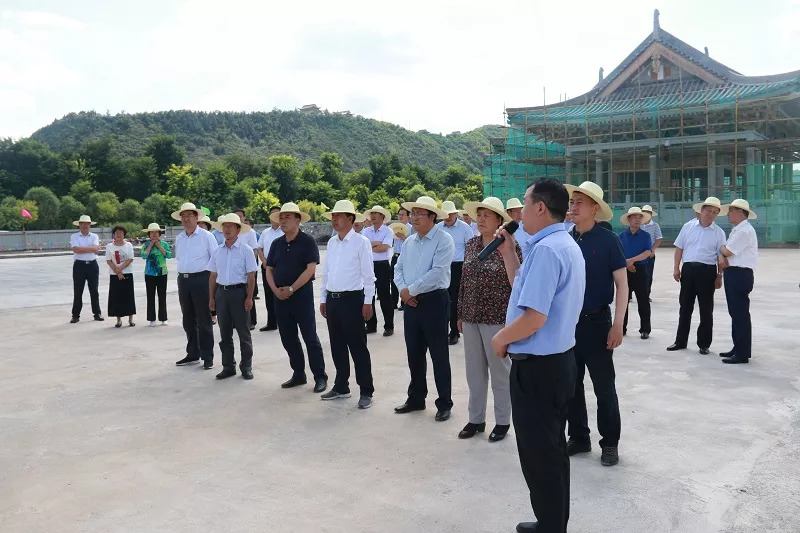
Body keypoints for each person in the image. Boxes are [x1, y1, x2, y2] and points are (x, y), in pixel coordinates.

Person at [490, 179, 585, 533]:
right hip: (558, 364)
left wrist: (501, 338)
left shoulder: (547, 250)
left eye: (525, 204)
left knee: (539, 455)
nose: (520, 212)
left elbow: (535, 316)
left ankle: (551, 526)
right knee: (551, 451)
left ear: (540, 207)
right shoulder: (562, 243)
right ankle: (552, 521)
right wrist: (508, 253)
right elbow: (525, 291)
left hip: (539, 371)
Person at [564, 181, 628, 467]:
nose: (573, 206)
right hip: (568, 324)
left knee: (604, 387)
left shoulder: (608, 240)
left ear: (594, 209)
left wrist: (618, 325)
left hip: (598, 322)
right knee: (571, 385)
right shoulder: (567, 238)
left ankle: (610, 443)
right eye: (572, 201)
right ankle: (579, 437)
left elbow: (622, 286)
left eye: (580, 202)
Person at [457, 197, 521, 442]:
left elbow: (517, 284)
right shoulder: (471, 244)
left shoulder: (509, 246)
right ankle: (476, 419)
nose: (481, 219)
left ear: (499, 221)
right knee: (474, 372)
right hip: (471, 316)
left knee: (500, 373)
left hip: (497, 318)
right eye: (479, 215)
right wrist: (460, 313)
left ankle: (503, 421)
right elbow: (464, 281)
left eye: (487, 215)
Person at [393, 196, 455, 422]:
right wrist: (403, 290)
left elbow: (438, 272)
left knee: (439, 355)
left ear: (432, 217)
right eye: (413, 213)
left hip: (434, 301)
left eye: (419, 214)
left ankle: (444, 403)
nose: (414, 218)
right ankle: (416, 398)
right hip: (411, 302)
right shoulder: (410, 241)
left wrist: (412, 290)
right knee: (414, 354)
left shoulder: (443, 239)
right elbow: (398, 267)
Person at [265, 202, 328, 393]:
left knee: (310, 337)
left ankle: (320, 376)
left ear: (298, 220)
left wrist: (291, 288)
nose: (283, 221)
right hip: (280, 298)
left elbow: (310, 269)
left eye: (287, 217)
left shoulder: (307, 241)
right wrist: (276, 290)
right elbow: (269, 269)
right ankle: (298, 374)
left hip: (301, 297)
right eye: (281, 218)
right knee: (288, 338)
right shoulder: (277, 243)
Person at [319, 200, 376, 409]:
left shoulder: (361, 242)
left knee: (358, 347)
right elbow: (326, 273)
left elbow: (368, 275)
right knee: (337, 346)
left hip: (353, 300)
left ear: (351, 219)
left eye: (339, 216)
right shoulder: (333, 242)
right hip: (333, 300)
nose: (335, 219)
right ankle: (341, 386)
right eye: (333, 216)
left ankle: (366, 390)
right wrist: (324, 298)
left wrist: (367, 301)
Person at [667, 197, 727, 355]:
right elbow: (679, 248)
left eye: (715, 212)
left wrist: (719, 275)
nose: (710, 214)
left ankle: (704, 343)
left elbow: (721, 255)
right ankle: (680, 341)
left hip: (707, 271)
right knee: (685, 307)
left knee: (706, 309)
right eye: (708, 211)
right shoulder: (688, 227)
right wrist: (676, 268)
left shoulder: (719, 233)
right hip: (688, 270)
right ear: (701, 211)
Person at [207, 213, 258, 380]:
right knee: (224, 333)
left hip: (239, 293)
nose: (227, 229)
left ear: (238, 230)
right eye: (225, 226)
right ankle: (228, 366)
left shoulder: (246, 250)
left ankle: (246, 366)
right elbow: (213, 276)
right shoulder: (217, 251)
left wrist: (249, 297)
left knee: (244, 332)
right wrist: (212, 298)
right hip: (222, 293)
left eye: (231, 226)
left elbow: (251, 276)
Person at [172, 202, 218, 369]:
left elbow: (215, 260)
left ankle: (208, 356)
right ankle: (193, 353)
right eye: (183, 217)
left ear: (196, 218)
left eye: (189, 216)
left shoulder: (207, 236)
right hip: (183, 280)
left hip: (201, 280)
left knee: (204, 319)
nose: (186, 220)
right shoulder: (179, 238)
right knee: (188, 318)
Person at [718, 199, 758, 364]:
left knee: (740, 314)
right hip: (734, 273)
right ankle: (739, 347)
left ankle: (742, 353)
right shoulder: (739, 229)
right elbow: (725, 252)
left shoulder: (744, 231)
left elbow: (726, 250)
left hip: (739, 274)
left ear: (740, 213)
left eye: (731, 211)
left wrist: (721, 250)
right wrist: (722, 253)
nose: (728, 214)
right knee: (736, 313)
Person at [436, 200, 475, 345]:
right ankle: (441, 331)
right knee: (440, 300)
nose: (448, 217)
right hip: (441, 267)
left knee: (454, 301)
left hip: (458, 267)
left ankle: (454, 332)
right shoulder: (438, 228)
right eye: (445, 214)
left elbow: (471, 250)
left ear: (455, 214)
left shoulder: (465, 228)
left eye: (450, 214)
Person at [618, 207, 653, 339]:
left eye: (640, 217)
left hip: (641, 270)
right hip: (624, 271)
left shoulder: (646, 236)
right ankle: (622, 328)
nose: (638, 220)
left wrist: (631, 261)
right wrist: (626, 265)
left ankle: (645, 329)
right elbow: (618, 253)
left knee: (643, 300)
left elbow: (647, 252)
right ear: (629, 219)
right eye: (635, 217)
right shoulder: (621, 236)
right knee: (623, 300)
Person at [361, 205, 395, 336]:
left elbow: (384, 248)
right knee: (368, 295)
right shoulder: (366, 231)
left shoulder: (387, 231)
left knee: (385, 295)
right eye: (372, 213)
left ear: (382, 216)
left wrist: (372, 246)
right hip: (368, 265)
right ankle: (371, 324)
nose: (373, 215)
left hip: (382, 265)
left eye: (376, 213)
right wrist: (376, 244)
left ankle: (389, 326)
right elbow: (363, 248)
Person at [69, 215, 104, 323]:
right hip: (79, 265)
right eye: (82, 224)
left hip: (92, 265)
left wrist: (84, 249)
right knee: (78, 291)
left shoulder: (94, 236)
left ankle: (97, 313)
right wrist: (90, 249)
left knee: (94, 291)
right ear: (79, 225)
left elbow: (95, 248)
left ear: (90, 225)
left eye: (87, 224)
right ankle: (75, 315)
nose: (84, 226)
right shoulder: (74, 236)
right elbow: (76, 250)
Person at [256, 205, 284, 332]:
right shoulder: (266, 232)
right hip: (267, 267)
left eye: (278, 214)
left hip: (281, 268)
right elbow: (259, 248)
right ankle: (271, 322)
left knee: (281, 294)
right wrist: (264, 262)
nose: (275, 217)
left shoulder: (285, 231)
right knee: (269, 295)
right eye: (273, 214)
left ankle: (283, 322)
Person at [140, 222, 172, 326]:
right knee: (150, 296)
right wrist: (150, 245)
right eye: (152, 233)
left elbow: (168, 255)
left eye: (156, 233)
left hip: (162, 273)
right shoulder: (145, 245)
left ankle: (163, 318)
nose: (154, 234)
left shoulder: (164, 244)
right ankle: (151, 319)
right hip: (149, 274)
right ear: (149, 235)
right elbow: (144, 256)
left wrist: (158, 245)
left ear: (159, 234)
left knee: (162, 296)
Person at [232, 208, 259, 330]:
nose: (238, 218)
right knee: (235, 295)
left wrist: (250, 268)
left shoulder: (250, 232)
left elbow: (254, 249)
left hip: (248, 268)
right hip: (234, 269)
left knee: (249, 294)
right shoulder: (230, 231)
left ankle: (251, 321)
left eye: (240, 216)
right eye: (235, 216)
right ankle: (235, 321)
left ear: (244, 218)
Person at [106, 225, 137, 328]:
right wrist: (117, 271)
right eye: (116, 233)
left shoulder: (128, 245)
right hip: (114, 275)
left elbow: (130, 259)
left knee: (128, 296)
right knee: (116, 297)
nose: (119, 234)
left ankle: (130, 319)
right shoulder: (109, 246)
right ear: (114, 235)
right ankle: (118, 320)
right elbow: (109, 260)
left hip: (127, 273)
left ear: (124, 234)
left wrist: (121, 269)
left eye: (121, 233)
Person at [390, 207, 413, 310]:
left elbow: (414, 243)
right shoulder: (394, 228)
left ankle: (404, 303)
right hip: (395, 255)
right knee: (393, 279)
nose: (400, 216)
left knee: (406, 280)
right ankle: (393, 302)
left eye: (403, 214)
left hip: (406, 257)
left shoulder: (411, 228)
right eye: (399, 214)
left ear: (408, 216)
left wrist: (404, 237)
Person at [641, 205, 663, 299]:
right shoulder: (639, 224)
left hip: (649, 254)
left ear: (651, 214)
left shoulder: (655, 225)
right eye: (644, 212)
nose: (646, 214)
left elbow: (658, 239)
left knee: (648, 275)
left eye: (648, 212)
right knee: (634, 274)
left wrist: (652, 250)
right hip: (638, 253)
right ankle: (630, 293)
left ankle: (646, 295)